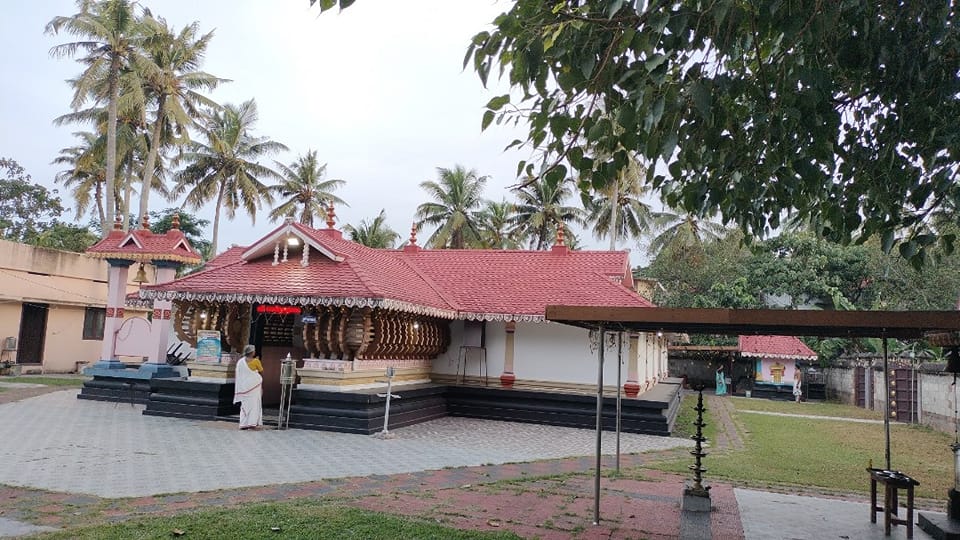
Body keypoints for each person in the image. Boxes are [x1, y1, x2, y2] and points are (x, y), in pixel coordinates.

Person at [234, 344, 263, 430]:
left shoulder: (240, 362)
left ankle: (243, 424)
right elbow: (261, 371)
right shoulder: (256, 361)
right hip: (254, 386)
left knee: (244, 405)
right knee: (254, 404)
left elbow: (239, 375)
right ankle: (252, 423)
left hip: (243, 387)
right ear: (252, 352)